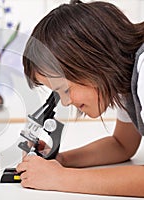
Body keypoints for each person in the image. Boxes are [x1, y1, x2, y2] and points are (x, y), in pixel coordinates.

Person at [17, 0, 144, 197]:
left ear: (92, 61)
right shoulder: (123, 82)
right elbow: (122, 144)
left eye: (66, 90)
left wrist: (60, 179)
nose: (66, 102)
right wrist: (60, 161)